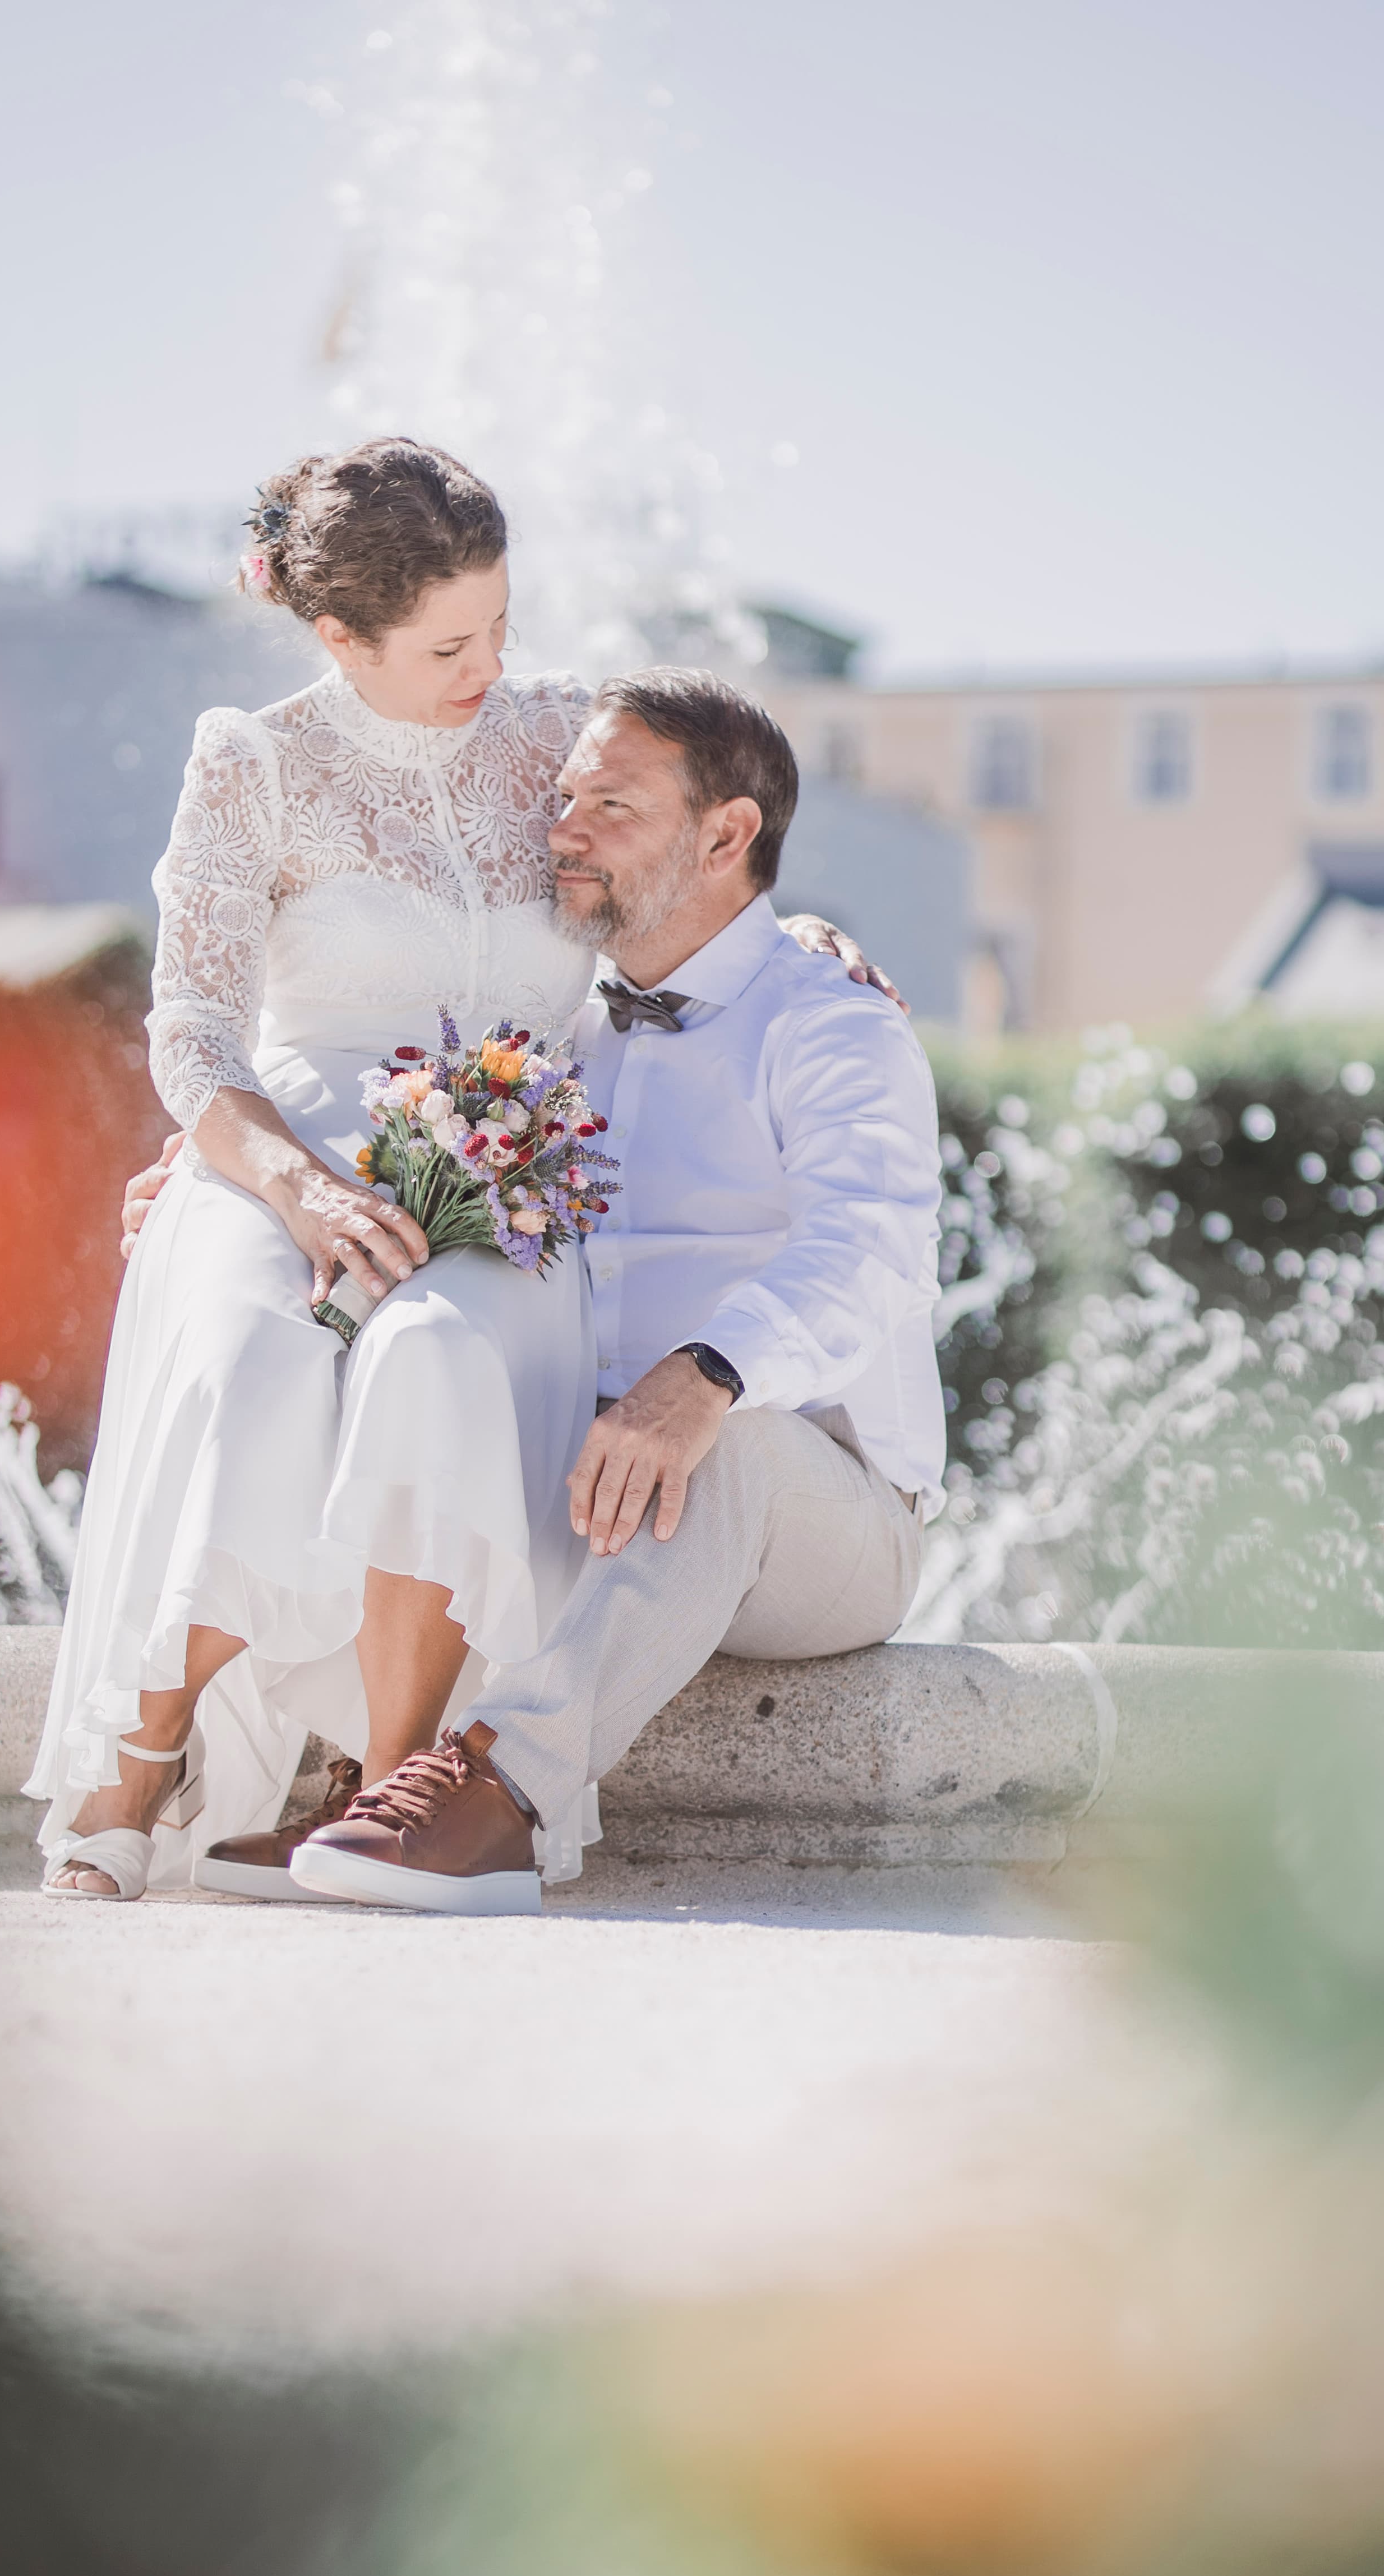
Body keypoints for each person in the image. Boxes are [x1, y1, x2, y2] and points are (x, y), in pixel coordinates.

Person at [30, 442, 877, 1900]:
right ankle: (141, 1752)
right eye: (446, 644)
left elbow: (693, 888)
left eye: (500, 621)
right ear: (336, 636)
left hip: (505, 1142)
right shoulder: (256, 759)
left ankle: (383, 1792)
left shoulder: (566, 735)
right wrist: (285, 1180)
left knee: (451, 1353)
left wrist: (795, 956)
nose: (491, 662)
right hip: (287, 1147)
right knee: (254, 1354)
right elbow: (194, 1030)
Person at [196, 667, 948, 1915]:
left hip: (823, 1505)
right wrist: (214, 1178)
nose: (564, 830)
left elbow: (873, 1249)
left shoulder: (833, 1022)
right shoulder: (543, 1024)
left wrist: (703, 1377)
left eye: (612, 804)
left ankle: (498, 1802)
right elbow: (388, 1142)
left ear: (727, 834)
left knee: (728, 1440)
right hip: (596, 1475)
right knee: (417, 1363)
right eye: (563, 798)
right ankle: (373, 1775)